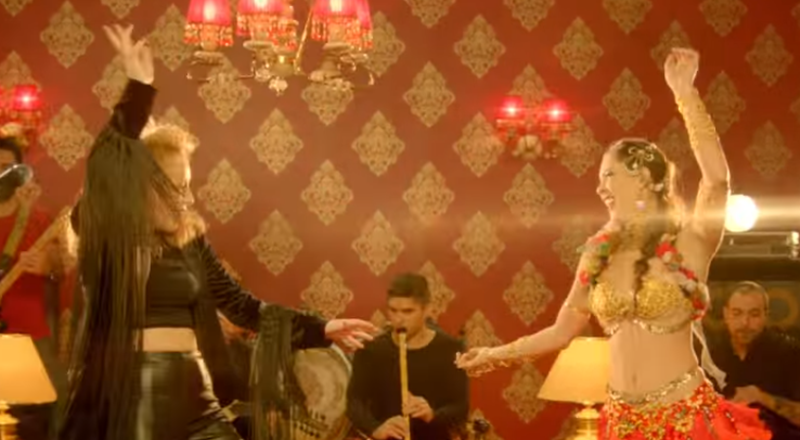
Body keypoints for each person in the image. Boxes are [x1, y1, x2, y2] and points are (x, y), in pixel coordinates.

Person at [59, 25, 377, 440]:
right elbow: (105, 163)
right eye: (177, 186)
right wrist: (138, 90)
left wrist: (322, 328)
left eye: (189, 185)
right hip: (131, 394)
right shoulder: (105, 232)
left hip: (195, 390)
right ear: (140, 187)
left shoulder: (189, 242)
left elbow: (241, 305)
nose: (188, 197)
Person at [455, 48, 771, 440]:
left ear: (643, 179)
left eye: (609, 175)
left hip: (684, 421)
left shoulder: (690, 241)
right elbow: (561, 332)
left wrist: (684, 93)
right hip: (621, 423)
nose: (600, 188)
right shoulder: (597, 255)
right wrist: (494, 355)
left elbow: (717, 181)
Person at [0, 122, 68, 440]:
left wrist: (47, 267)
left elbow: (61, 269)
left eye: (7, 167)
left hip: (31, 335)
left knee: (59, 406)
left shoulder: (39, 219)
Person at [347, 273, 469, 440]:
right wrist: (375, 428)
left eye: (408, 311)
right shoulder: (371, 349)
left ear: (427, 310)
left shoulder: (449, 348)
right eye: (393, 310)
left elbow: (460, 407)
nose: (398, 319)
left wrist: (432, 414)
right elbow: (354, 402)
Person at [710, 281, 800, 436]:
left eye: (754, 314)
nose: (745, 323)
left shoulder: (790, 353)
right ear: (726, 314)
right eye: (737, 313)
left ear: (766, 315)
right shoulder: (711, 355)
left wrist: (762, 398)